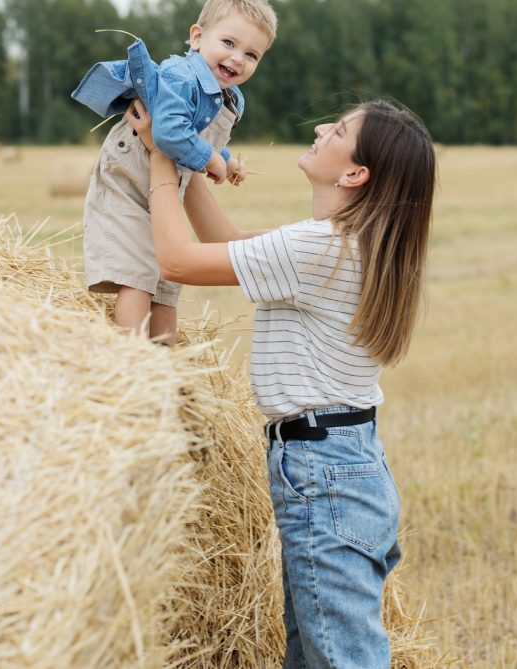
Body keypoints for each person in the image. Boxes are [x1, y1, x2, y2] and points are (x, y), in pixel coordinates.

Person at [128, 96, 436, 669]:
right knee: (313, 654)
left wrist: (159, 164)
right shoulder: (337, 241)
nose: (320, 127)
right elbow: (232, 241)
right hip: (341, 464)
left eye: (338, 129)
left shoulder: (320, 247)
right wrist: (185, 156)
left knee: (340, 658)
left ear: (354, 173)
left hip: (324, 473)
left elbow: (179, 261)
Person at [70, 0, 277, 344]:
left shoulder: (228, 97)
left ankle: (166, 363)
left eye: (252, 54)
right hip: (128, 179)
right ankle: (131, 359)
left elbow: (202, 138)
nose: (238, 58)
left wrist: (225, 161)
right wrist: (210, 159)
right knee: (138, 274)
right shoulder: (182, 76)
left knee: (167, 280)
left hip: (164, 188)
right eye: (228, 43)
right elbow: (168, 132)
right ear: (197, 37)